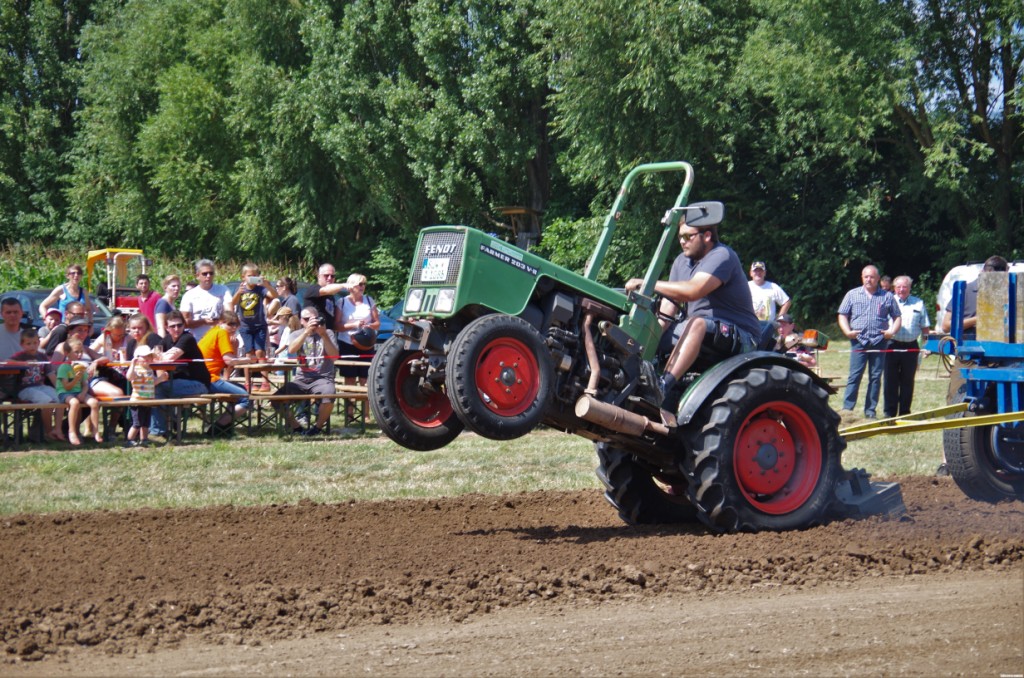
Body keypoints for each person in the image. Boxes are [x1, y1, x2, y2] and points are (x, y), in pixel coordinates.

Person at [624, 209, 760, 410]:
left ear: (707, 236)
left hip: (742, 336)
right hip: (699, 330)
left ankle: (662, 386)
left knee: (697, 323)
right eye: (680, 237)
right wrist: (650, 336)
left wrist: (646, 284)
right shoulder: (681, 261)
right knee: (653, 330)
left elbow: (692, 291)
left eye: (688, 236)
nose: (682, 241)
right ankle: (631, 383)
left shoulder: (722, 255)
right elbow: (669, 308)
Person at [837, 265, 901, 420]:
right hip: (858, 341)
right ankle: (847, 409)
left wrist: (891, 332)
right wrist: (847, 331)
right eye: (866, 276)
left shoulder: (887, 296)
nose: (868, 279)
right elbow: (842, 314)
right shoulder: (852, 295)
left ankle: (870, 411)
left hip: (879, 342)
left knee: (875, 376)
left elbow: (897, 317)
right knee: (855, 375)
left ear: (878, 279)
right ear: (862, 277)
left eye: (872, 277)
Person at [274, 307, 339, 436]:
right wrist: (305, 333)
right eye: (306, 319)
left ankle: (317, 428)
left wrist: (323, 335)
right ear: (301, 321)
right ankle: (296, 427)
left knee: (330, 394)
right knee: (276, 399)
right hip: (301, 378)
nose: (310, 322)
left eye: (313, 318)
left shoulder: (328, 333)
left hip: (323, 378)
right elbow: (291, 350)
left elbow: (335, 356)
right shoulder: (296, 334)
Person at [151, 310, 210, 438]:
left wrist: (160, 356)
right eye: (172, 326)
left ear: (184, 326)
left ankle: (160, 429)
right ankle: (165, 426)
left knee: (158, 388)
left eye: (179, 325)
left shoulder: (187, 338)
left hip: (198, 384)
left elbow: (170, 357)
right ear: (166, 328)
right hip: (178, 382)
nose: (176, 329)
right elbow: (153, 355)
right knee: (152, 388)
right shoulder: (166, 339)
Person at [883, 275, 930, 419]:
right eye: (898, 287)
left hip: (911, 347)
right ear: (894, 288)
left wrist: (926, 346)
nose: (901, 290)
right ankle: (889, 413)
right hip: (891, 345)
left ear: (910, 288)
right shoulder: (887, 302)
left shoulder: (919, 303)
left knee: (907, 380)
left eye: (905, 287)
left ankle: (904, 413)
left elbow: (925, 328)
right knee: (890, 380)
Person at [197, 311, 251, 435]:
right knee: (245, 398)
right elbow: (230, 361)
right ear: (221, 323)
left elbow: (228, 364)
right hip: (210, 379)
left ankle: (226, 427)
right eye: (231, 324)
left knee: (241, 389)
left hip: (203, 377)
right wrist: (248, 360)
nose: (234, 328)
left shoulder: (213, 331)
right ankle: (217, 428)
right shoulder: (221, 333)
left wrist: (235, 346)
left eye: (237, 324)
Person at [10, 328, 65, 441]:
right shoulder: (20, 356)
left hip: (41, 386)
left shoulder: (42, 356)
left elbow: (50, 374)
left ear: (39, 343)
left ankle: (57, 429)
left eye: (35, 343)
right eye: (28, 343)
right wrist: (24, 363)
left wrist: (61, 389)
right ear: (22, 344)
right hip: (24, 389)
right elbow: (8, 362)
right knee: (47, 402)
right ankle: (48, 432)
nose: (32, 346)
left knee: (60, 399)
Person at [232, 263, 277, 392]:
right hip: (245, 326)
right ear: (243, 277)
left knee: (260, 352)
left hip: (259, 325)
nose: (252, 278)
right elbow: (233, 303)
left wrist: (267, 285)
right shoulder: (240, 289)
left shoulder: (260, 289)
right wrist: (238, 293)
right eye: (249, 276)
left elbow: (275, 296)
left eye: (255, 276)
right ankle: (247, 382)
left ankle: (265, 382)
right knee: (249, 353)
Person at [940, 255, 1009, 338]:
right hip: (968, 345)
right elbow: (946, 326)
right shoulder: (965, 291)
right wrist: (977, 319)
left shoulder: (1006, 293)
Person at [55, 337, 101, 446]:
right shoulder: (64, 367)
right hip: (65, 393)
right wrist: (76, 378)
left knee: (94, 403)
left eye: (81, 352)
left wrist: (83, 393)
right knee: (74, 403)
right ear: (67, 353)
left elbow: (85, 384)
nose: (79, 355)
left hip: (77, 392)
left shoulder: (80, 367)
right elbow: (66, 387)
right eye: (76, 352)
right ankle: (72, 431)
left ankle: (95, 431)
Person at [180, 259, 232, 342]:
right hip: (198, 339)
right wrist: (203, 321)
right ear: (197, 275)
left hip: (219, 337)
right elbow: (184, 322)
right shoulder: (189, 295)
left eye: (211, 273)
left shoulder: (223, 290)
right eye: (205, 274)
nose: (208, 276)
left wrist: (222, 321)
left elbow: (230, 312)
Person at [125, 345, 166, 448]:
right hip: (137, 401)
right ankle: (130, 439)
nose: (147, 358)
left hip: (148, 400)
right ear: (137, 358)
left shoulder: (149, 370)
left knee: (146, 423)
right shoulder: (137, 370)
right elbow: (129, 377)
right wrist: (132, 365)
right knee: (137, 423)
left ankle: (144, 439)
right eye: (144, 357)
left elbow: (152, 382)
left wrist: (160, 379)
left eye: (149, 356)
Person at [303, 263, 347, 329]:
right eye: (326, 275)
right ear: (319, 277)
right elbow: (325, 290)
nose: (329, 278)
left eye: (332, 276)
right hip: (314, 333)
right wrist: (343, 285)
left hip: (328, 334)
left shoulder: (331, 296)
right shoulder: (313, 289)